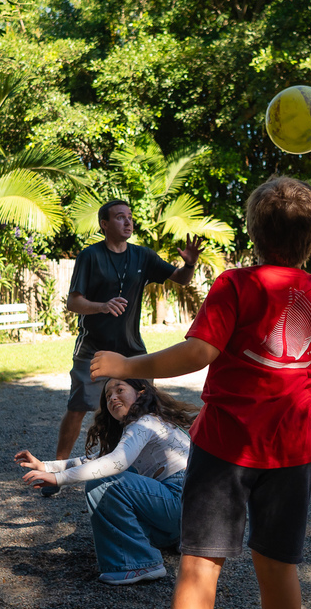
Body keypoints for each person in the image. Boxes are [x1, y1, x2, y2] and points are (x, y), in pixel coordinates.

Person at [91, 175, 311, 609]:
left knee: (201, 566)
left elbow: (201, 350)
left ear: (252, 233)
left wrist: (127, 365)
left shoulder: (236, 283)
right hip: (293, 449)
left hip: (226, 445)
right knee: (280, 568)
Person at [54, 199, 203, 464]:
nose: (128, 222)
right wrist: (102, 306)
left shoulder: (142, 256)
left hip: (132, 349)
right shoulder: (90, 256)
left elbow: (180, 278)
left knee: (143, 408)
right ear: (104, 224)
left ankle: (134, 464)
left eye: (130, 217)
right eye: (120, 217)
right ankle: (57, 467)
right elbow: (73, 302)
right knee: (78, 408)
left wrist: (189, 265)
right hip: (93, 348)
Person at [15, 379, 195, 585]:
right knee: (111, 474)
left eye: (120, 390)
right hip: (191, 518)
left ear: (141, 393)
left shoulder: (145, 423)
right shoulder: (151, 423)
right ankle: (175, 542)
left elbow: (114, 463)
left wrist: (59, 479)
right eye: (108, 396)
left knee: (103, 481)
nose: (113, 398)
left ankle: (138, 564)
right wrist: (46, 466)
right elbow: (96, 460)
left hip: (180, 501)